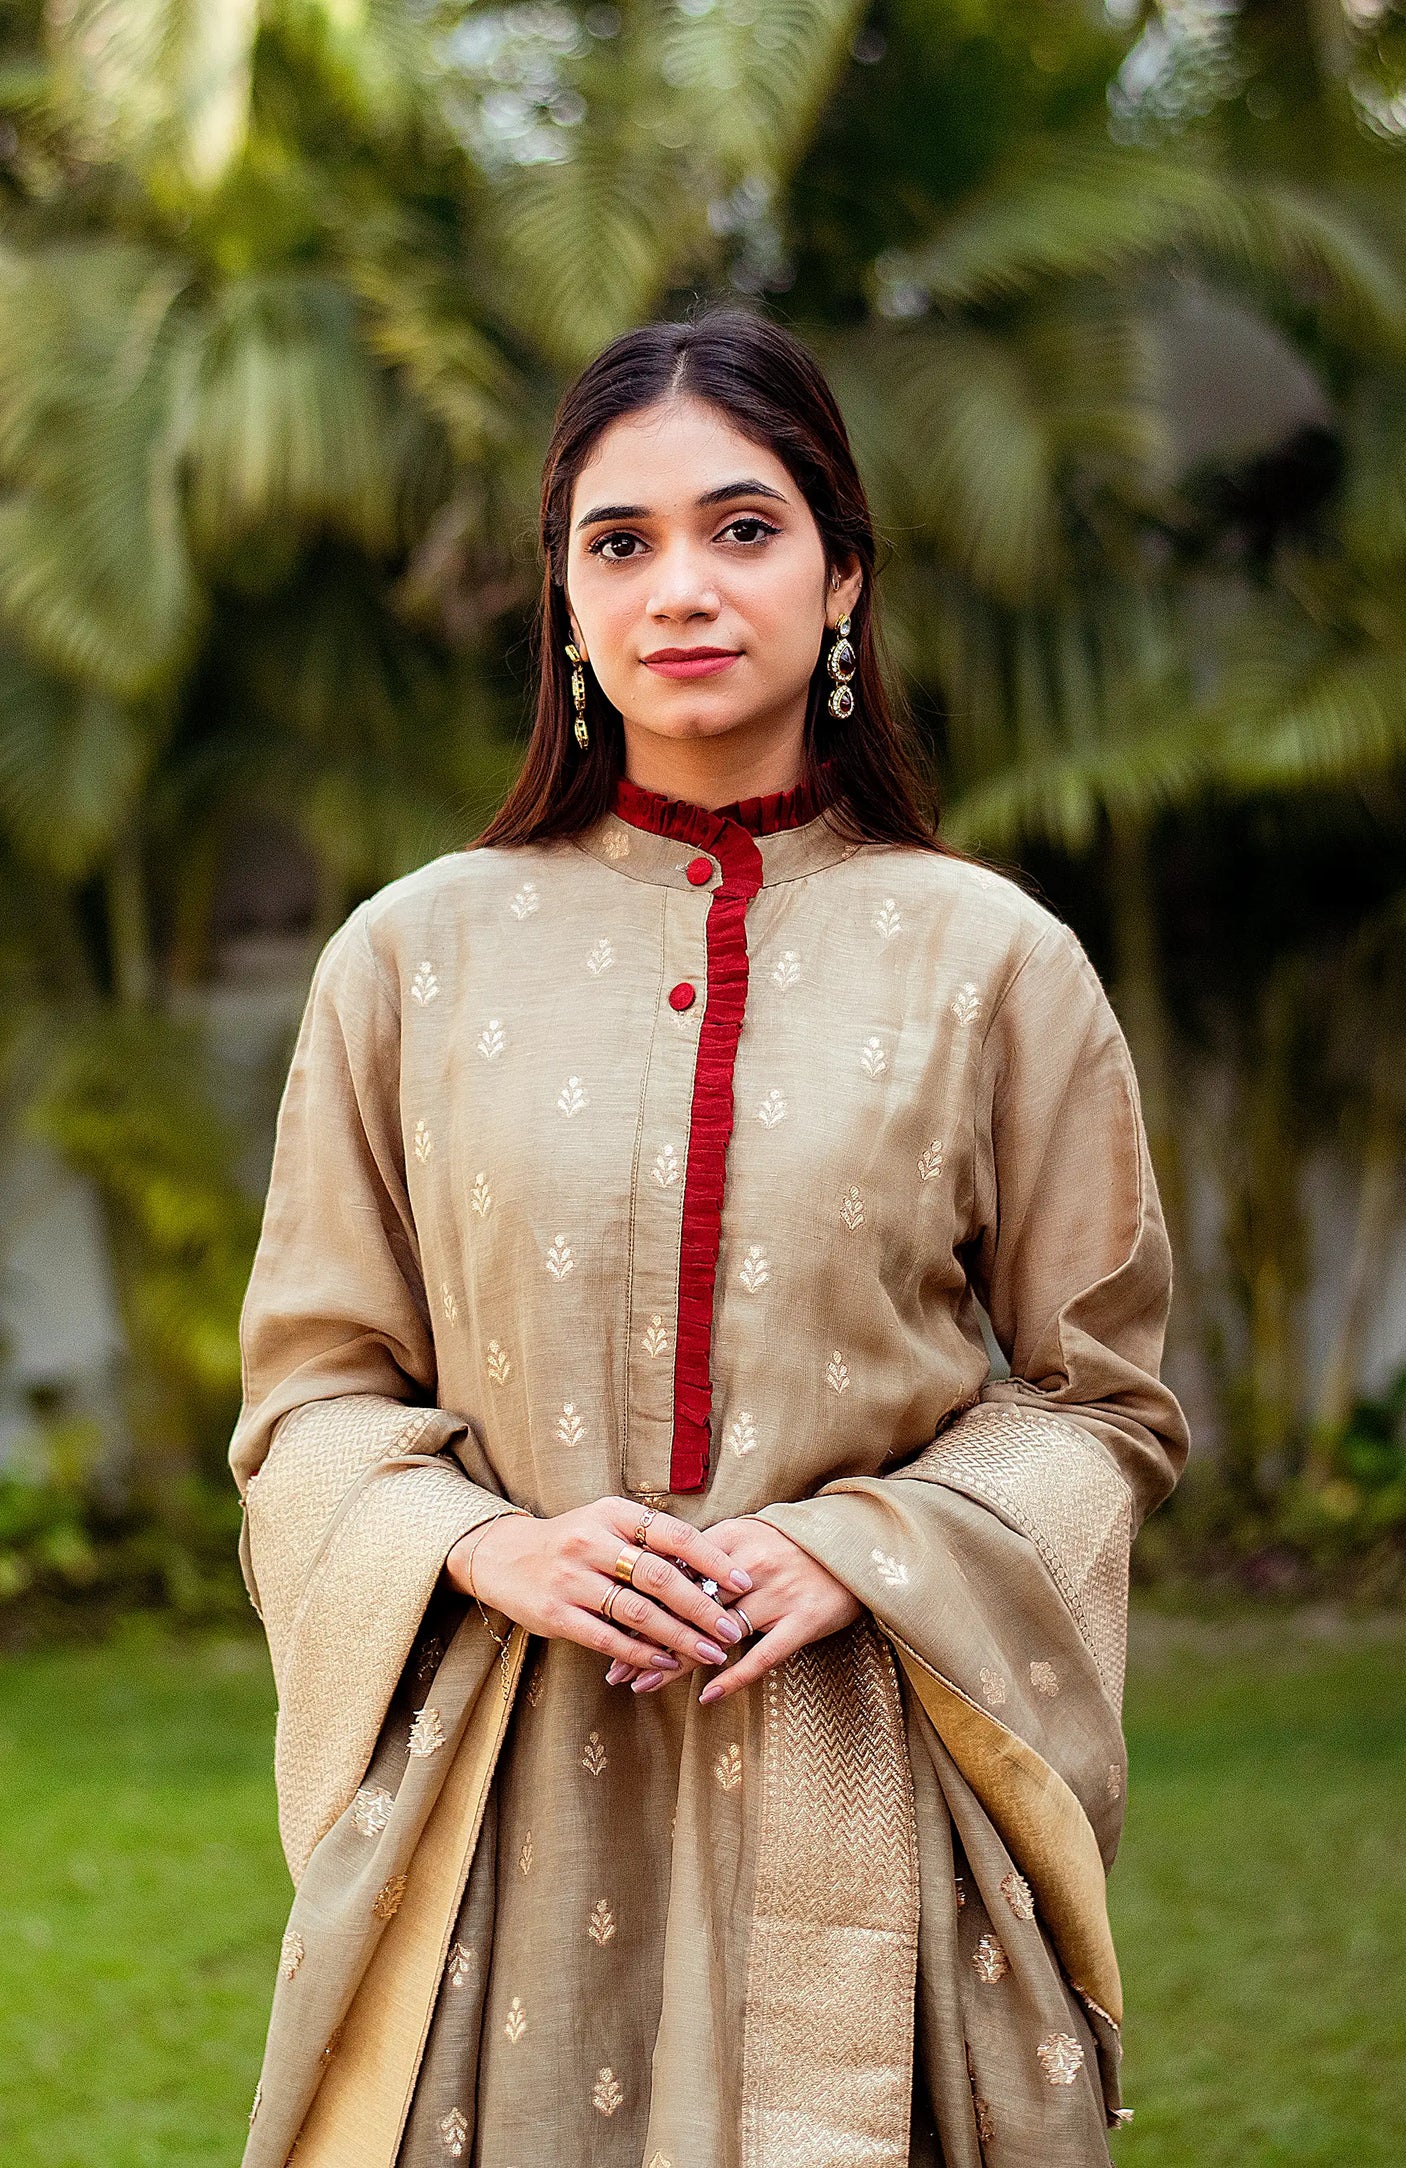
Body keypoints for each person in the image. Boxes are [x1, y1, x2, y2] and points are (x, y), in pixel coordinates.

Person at [229, 305, 1188, 2168]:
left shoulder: (995, 964)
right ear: (567, 605)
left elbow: (1101, 1406)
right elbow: (313, 1400)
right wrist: (483, 1545)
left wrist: (869, 1547)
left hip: (857, 1761)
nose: (682, 585)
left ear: (842, 580)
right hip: (505, 1792)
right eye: (622, 541)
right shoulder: (408, 962)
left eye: (743, 529)